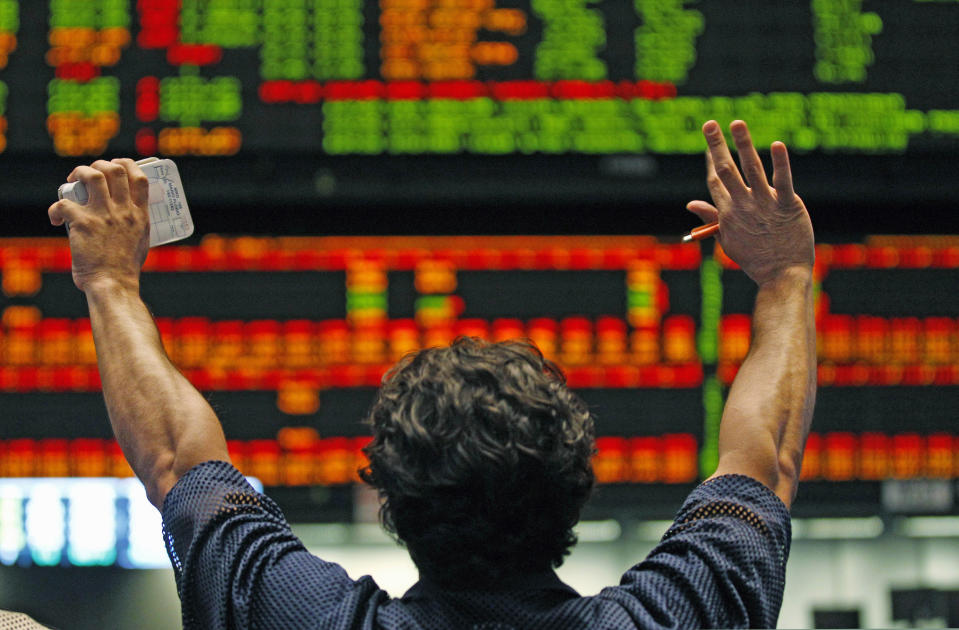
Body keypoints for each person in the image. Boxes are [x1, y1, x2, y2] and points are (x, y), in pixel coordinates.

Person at [47, 119, 816, 629]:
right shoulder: (673, 615)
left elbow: (178, 461)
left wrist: (110, 283)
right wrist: (784, 275)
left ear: (388, 498)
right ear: (577, 485)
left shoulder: (299, 615)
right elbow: (765, 461)